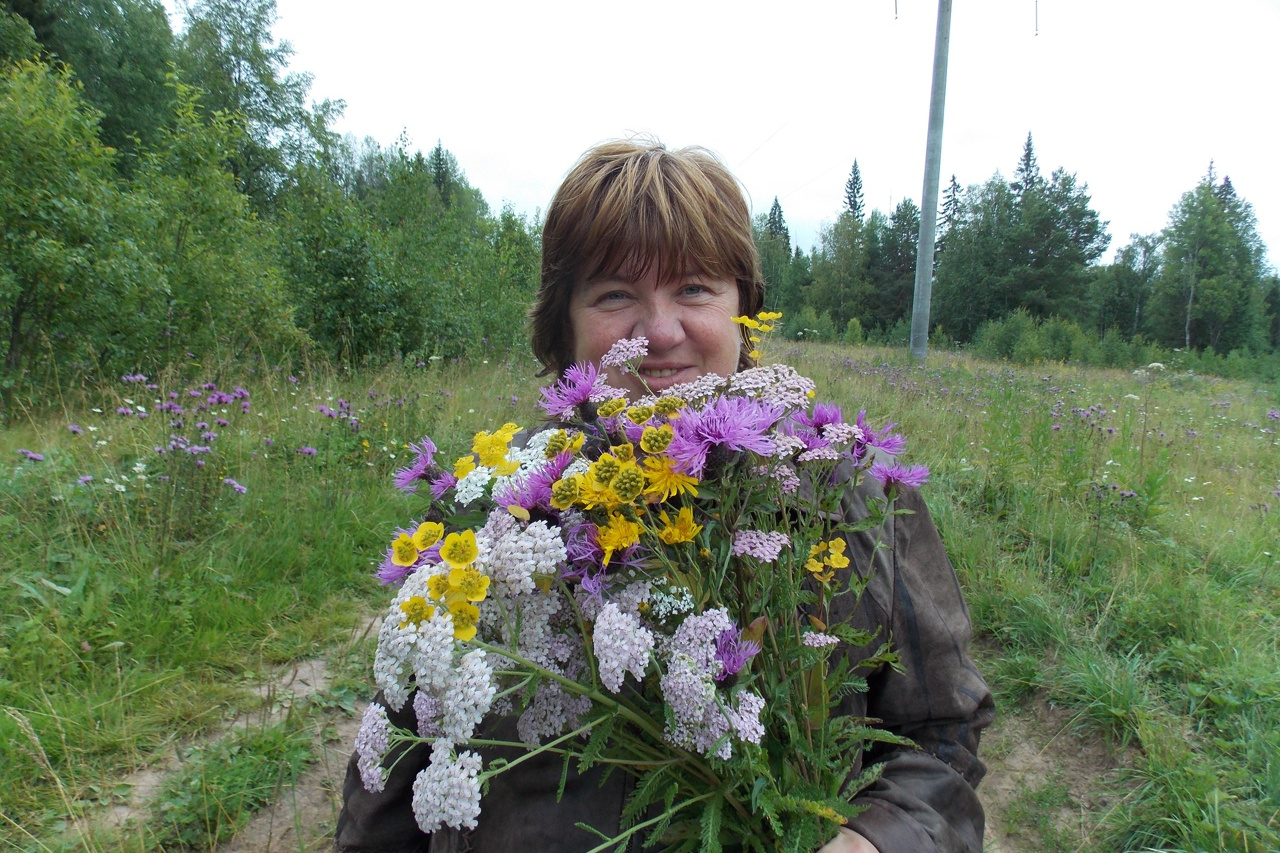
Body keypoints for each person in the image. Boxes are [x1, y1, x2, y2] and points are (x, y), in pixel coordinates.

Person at [336, 139, 994, 853]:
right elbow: (399, 760)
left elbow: (942, 735)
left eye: (694, 287)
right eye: (615, 294)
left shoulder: (845, 495)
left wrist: (876, 840)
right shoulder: (494, 514)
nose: (660, 332)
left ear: (745, 311)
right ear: (563, 328)